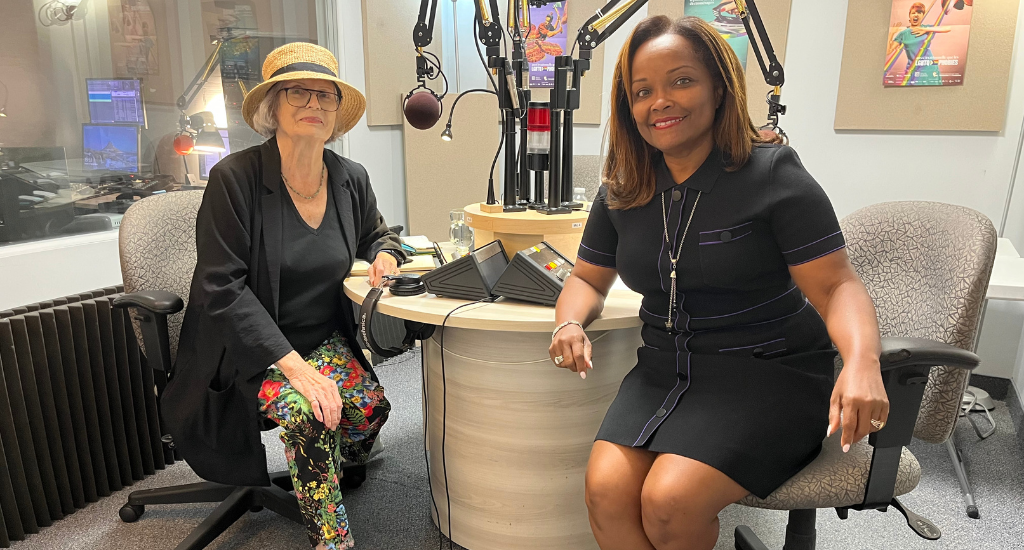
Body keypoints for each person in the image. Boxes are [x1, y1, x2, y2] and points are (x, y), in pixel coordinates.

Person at [548, 16, 889, 550]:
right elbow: (588, 278)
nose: (660, 101)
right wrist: (569, 319)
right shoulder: (623, 186)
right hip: (667, 371)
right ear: (627, 106)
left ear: (718, 88)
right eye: (643, 91)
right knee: (605, 490)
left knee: (669, 502)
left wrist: (863, 361)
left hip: (770, 373)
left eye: (681, 80)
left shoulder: (773, 174)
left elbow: (836, 286)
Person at [165, 42, 405, 550]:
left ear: (337, 113)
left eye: (325, 96)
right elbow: (220, 287)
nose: (314, 105)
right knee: (311, 413)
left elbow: (379, 233)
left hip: (324, 340)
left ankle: (330, 467)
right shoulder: (235, 179)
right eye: (298, 92)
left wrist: (386, 253)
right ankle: (332, 540)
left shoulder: (349, 178)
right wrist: (296, 369)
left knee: (372, 409)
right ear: (273, 105)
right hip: (249, 353)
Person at [887, 2, 950, 86]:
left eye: (919, 12)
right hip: (912, 69)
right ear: (910, 16)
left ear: (922, 16)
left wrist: (927, 29)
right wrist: (891, 34)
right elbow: (888, 51)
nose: (916, 15)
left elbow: (947, 28)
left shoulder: (926, 28)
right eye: (913, 12)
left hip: (929, 68)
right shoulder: (903, 34)